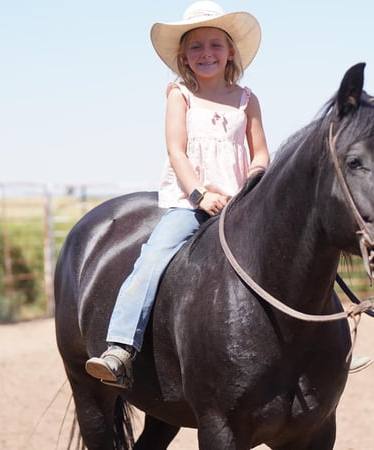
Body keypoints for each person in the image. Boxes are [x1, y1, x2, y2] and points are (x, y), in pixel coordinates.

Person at [85, 1, 270, 388]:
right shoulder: (180, 95)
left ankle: (324, 344)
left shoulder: (247, 99)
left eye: (215, 44)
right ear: (184, 58)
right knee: (153, 257)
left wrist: (251, 184)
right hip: (192, 204)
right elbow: (176, 151)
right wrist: (200, 195)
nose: (206, 53)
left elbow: (260, 154)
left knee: (290, 251)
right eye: (196, 47)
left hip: (241, 204)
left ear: (230, 52)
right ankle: (121, 346)